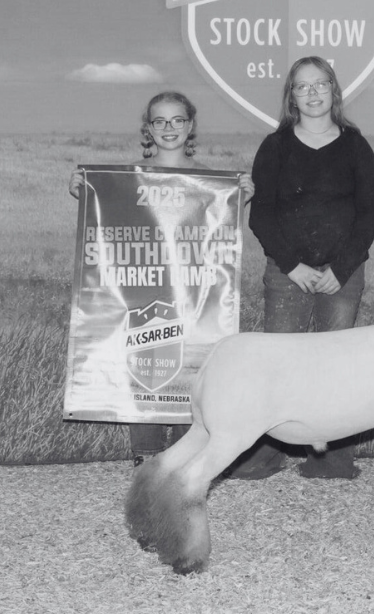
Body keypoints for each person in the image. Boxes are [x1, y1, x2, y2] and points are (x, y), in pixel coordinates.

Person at [69, 91, 254, 467]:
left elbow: (221, 237)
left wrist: (241, 199)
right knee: (143, 365)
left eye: (177, 120)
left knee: (196, 368)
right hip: (142, 294)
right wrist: (85, 191)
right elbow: (109, 225)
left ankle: (188, 459)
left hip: (197, 298)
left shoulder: (213, 182)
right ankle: (147, 457)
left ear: (190, 126)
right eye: (160, 121)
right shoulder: (125, 179)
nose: (169, 128)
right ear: (148, 128)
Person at [232, 56, 374, 480]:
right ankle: (267, 450)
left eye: (320, 85)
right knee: (280, 364)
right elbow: (261, 215)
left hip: (343, 272)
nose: (313, 93)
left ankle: (331, 455)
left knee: (336, 366)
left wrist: (342, 266)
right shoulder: (275, 146)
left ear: (334, 90)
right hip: (286, 271)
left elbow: (368, 216)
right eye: (302, 86)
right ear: (291, 96)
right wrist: (291, 265)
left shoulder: (356, 146)